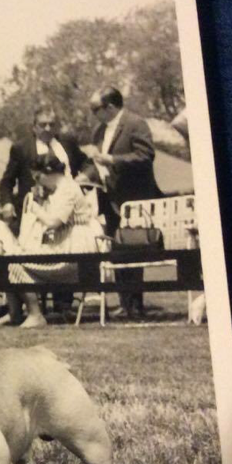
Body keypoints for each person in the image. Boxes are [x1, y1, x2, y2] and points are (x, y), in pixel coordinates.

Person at [1, 155, 105, 328]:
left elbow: (53, 223)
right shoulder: (59, 189)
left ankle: (34, 315)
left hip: (76, 254)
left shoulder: (68, 189)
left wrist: (34, 206)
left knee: (15, 262)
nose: (38, 182)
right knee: (11, 258)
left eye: (38, 177)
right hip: (66, 247)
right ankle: (15, 314)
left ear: (48, 172)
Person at [89, 86, 162, 318]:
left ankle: (136, 305)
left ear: (110, 107)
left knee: (135, 249)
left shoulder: (135, 123)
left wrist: (112, 160)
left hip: (135, 198)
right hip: (108, 198)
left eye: (95, 109)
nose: (93, 114)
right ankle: (124, 302)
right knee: (117, 249)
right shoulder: (99, 131)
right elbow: (98, 163)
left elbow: (146, 155)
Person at [0, 106, 86, 238]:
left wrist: (84, 176)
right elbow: (7, 180)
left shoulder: (67, 142)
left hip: (67, 208)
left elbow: (86, 162)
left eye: (52, 124)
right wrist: (7, 203)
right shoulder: (21, 148)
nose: (48, 129)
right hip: (36, 211)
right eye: (43, 125)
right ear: (34, 127)